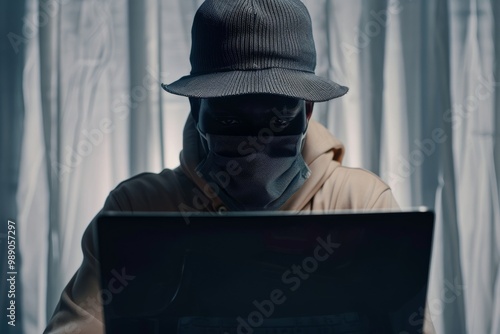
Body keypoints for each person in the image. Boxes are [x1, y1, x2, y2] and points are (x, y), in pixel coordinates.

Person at [43, 0, 402, 333]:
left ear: (307, 111)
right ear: (195, 109)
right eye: (231, 119)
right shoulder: (138, 210)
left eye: (275, 118)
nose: (254, 142)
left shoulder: (361, 204)